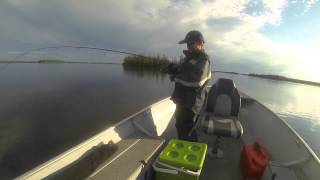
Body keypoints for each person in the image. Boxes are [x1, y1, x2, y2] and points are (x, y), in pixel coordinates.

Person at [168, 30, 212, 142]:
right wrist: (172, 69)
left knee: (188, 129)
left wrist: (176, 76)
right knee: (179, 124)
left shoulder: (204, 60)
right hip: (181, 100)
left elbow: (195, 81)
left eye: (191, 44)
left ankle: (190, 151)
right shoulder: (187, 59)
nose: (188, 47)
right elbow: (182, 71)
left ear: (201, 43)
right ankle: (182, 147)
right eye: (187, 44)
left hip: (192, 103)